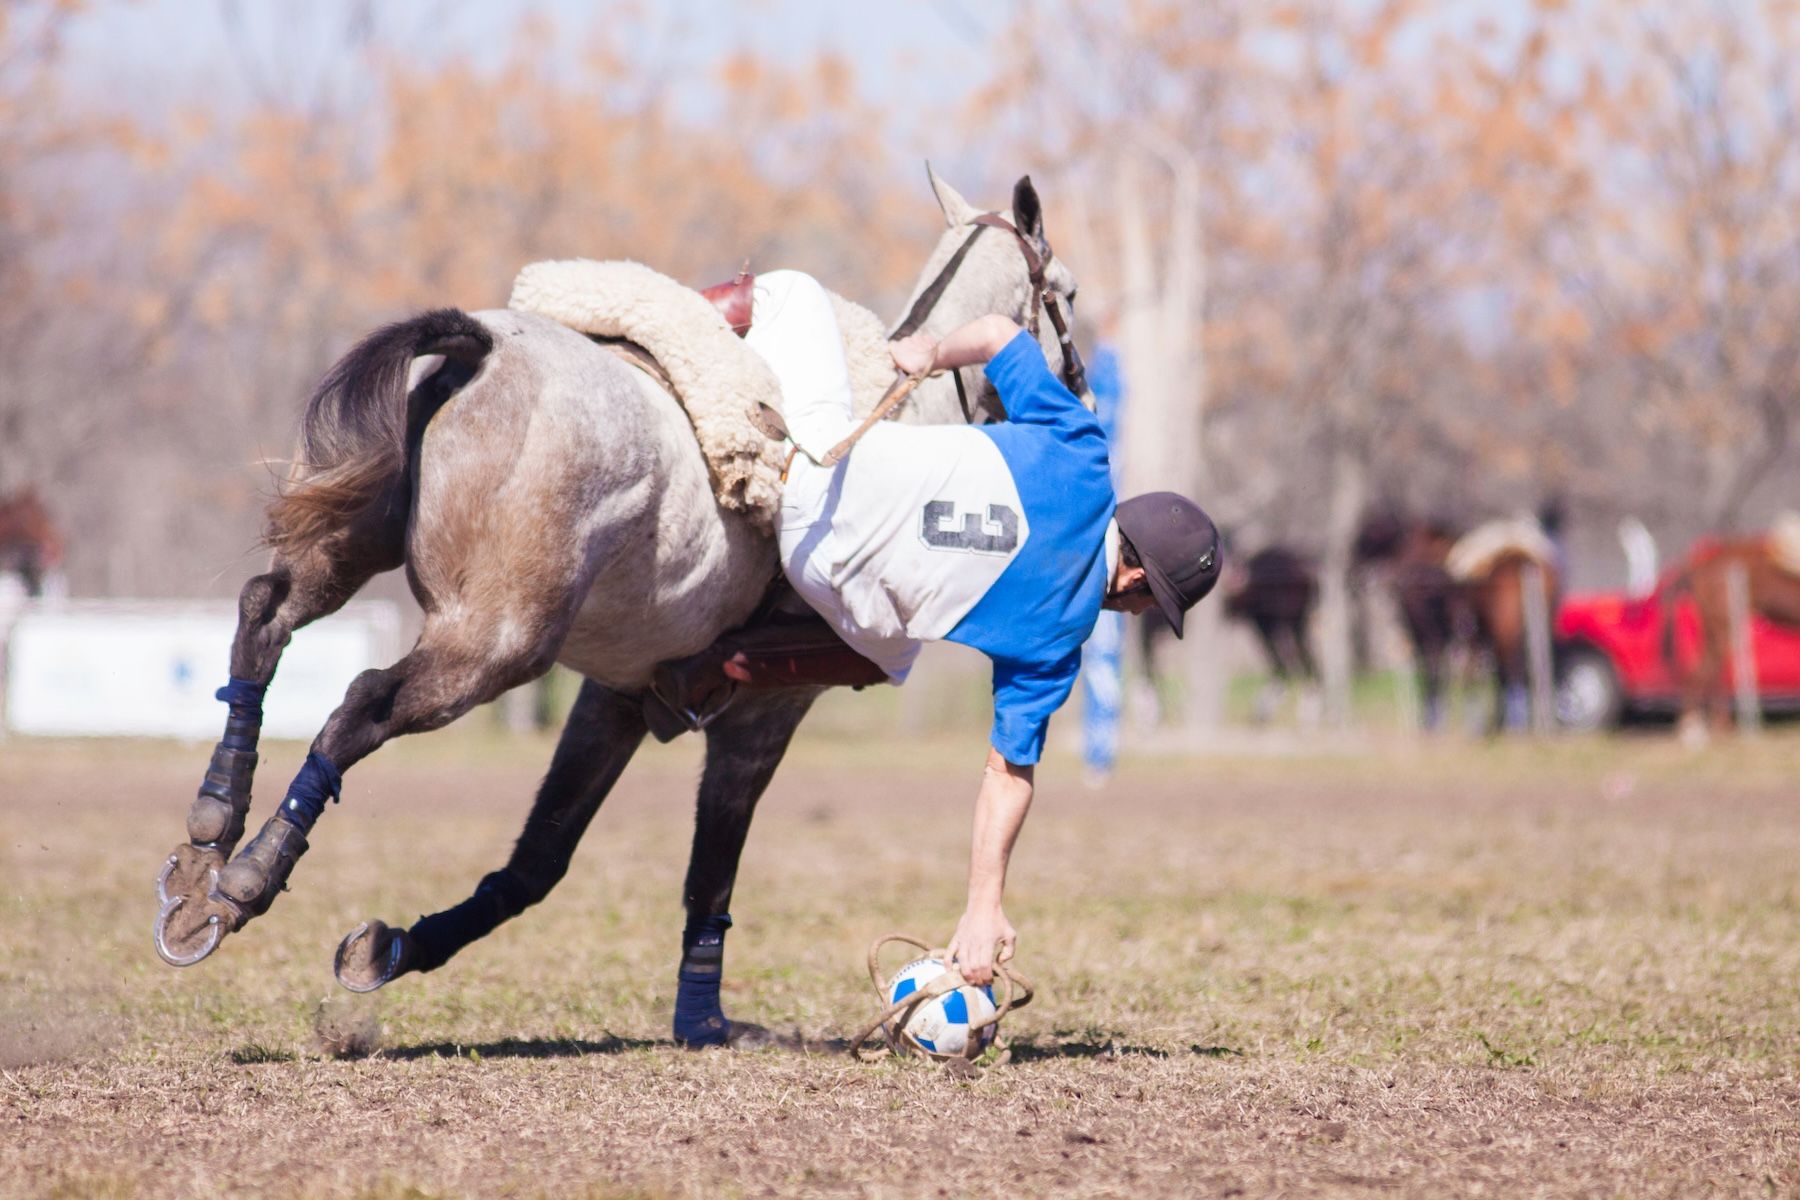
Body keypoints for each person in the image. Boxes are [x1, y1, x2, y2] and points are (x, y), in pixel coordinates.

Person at [746, 270, 1221, 986]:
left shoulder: (1084, 449)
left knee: (789, 291)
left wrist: (930, 353)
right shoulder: (1060, 646)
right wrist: (981, 908)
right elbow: (1008, 773)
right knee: (895, 651)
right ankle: (727, 670)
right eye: (1155, 604)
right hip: (837, 589)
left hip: (813, 481)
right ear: (1133, 581)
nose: (1139, 614)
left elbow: (1001, 334)